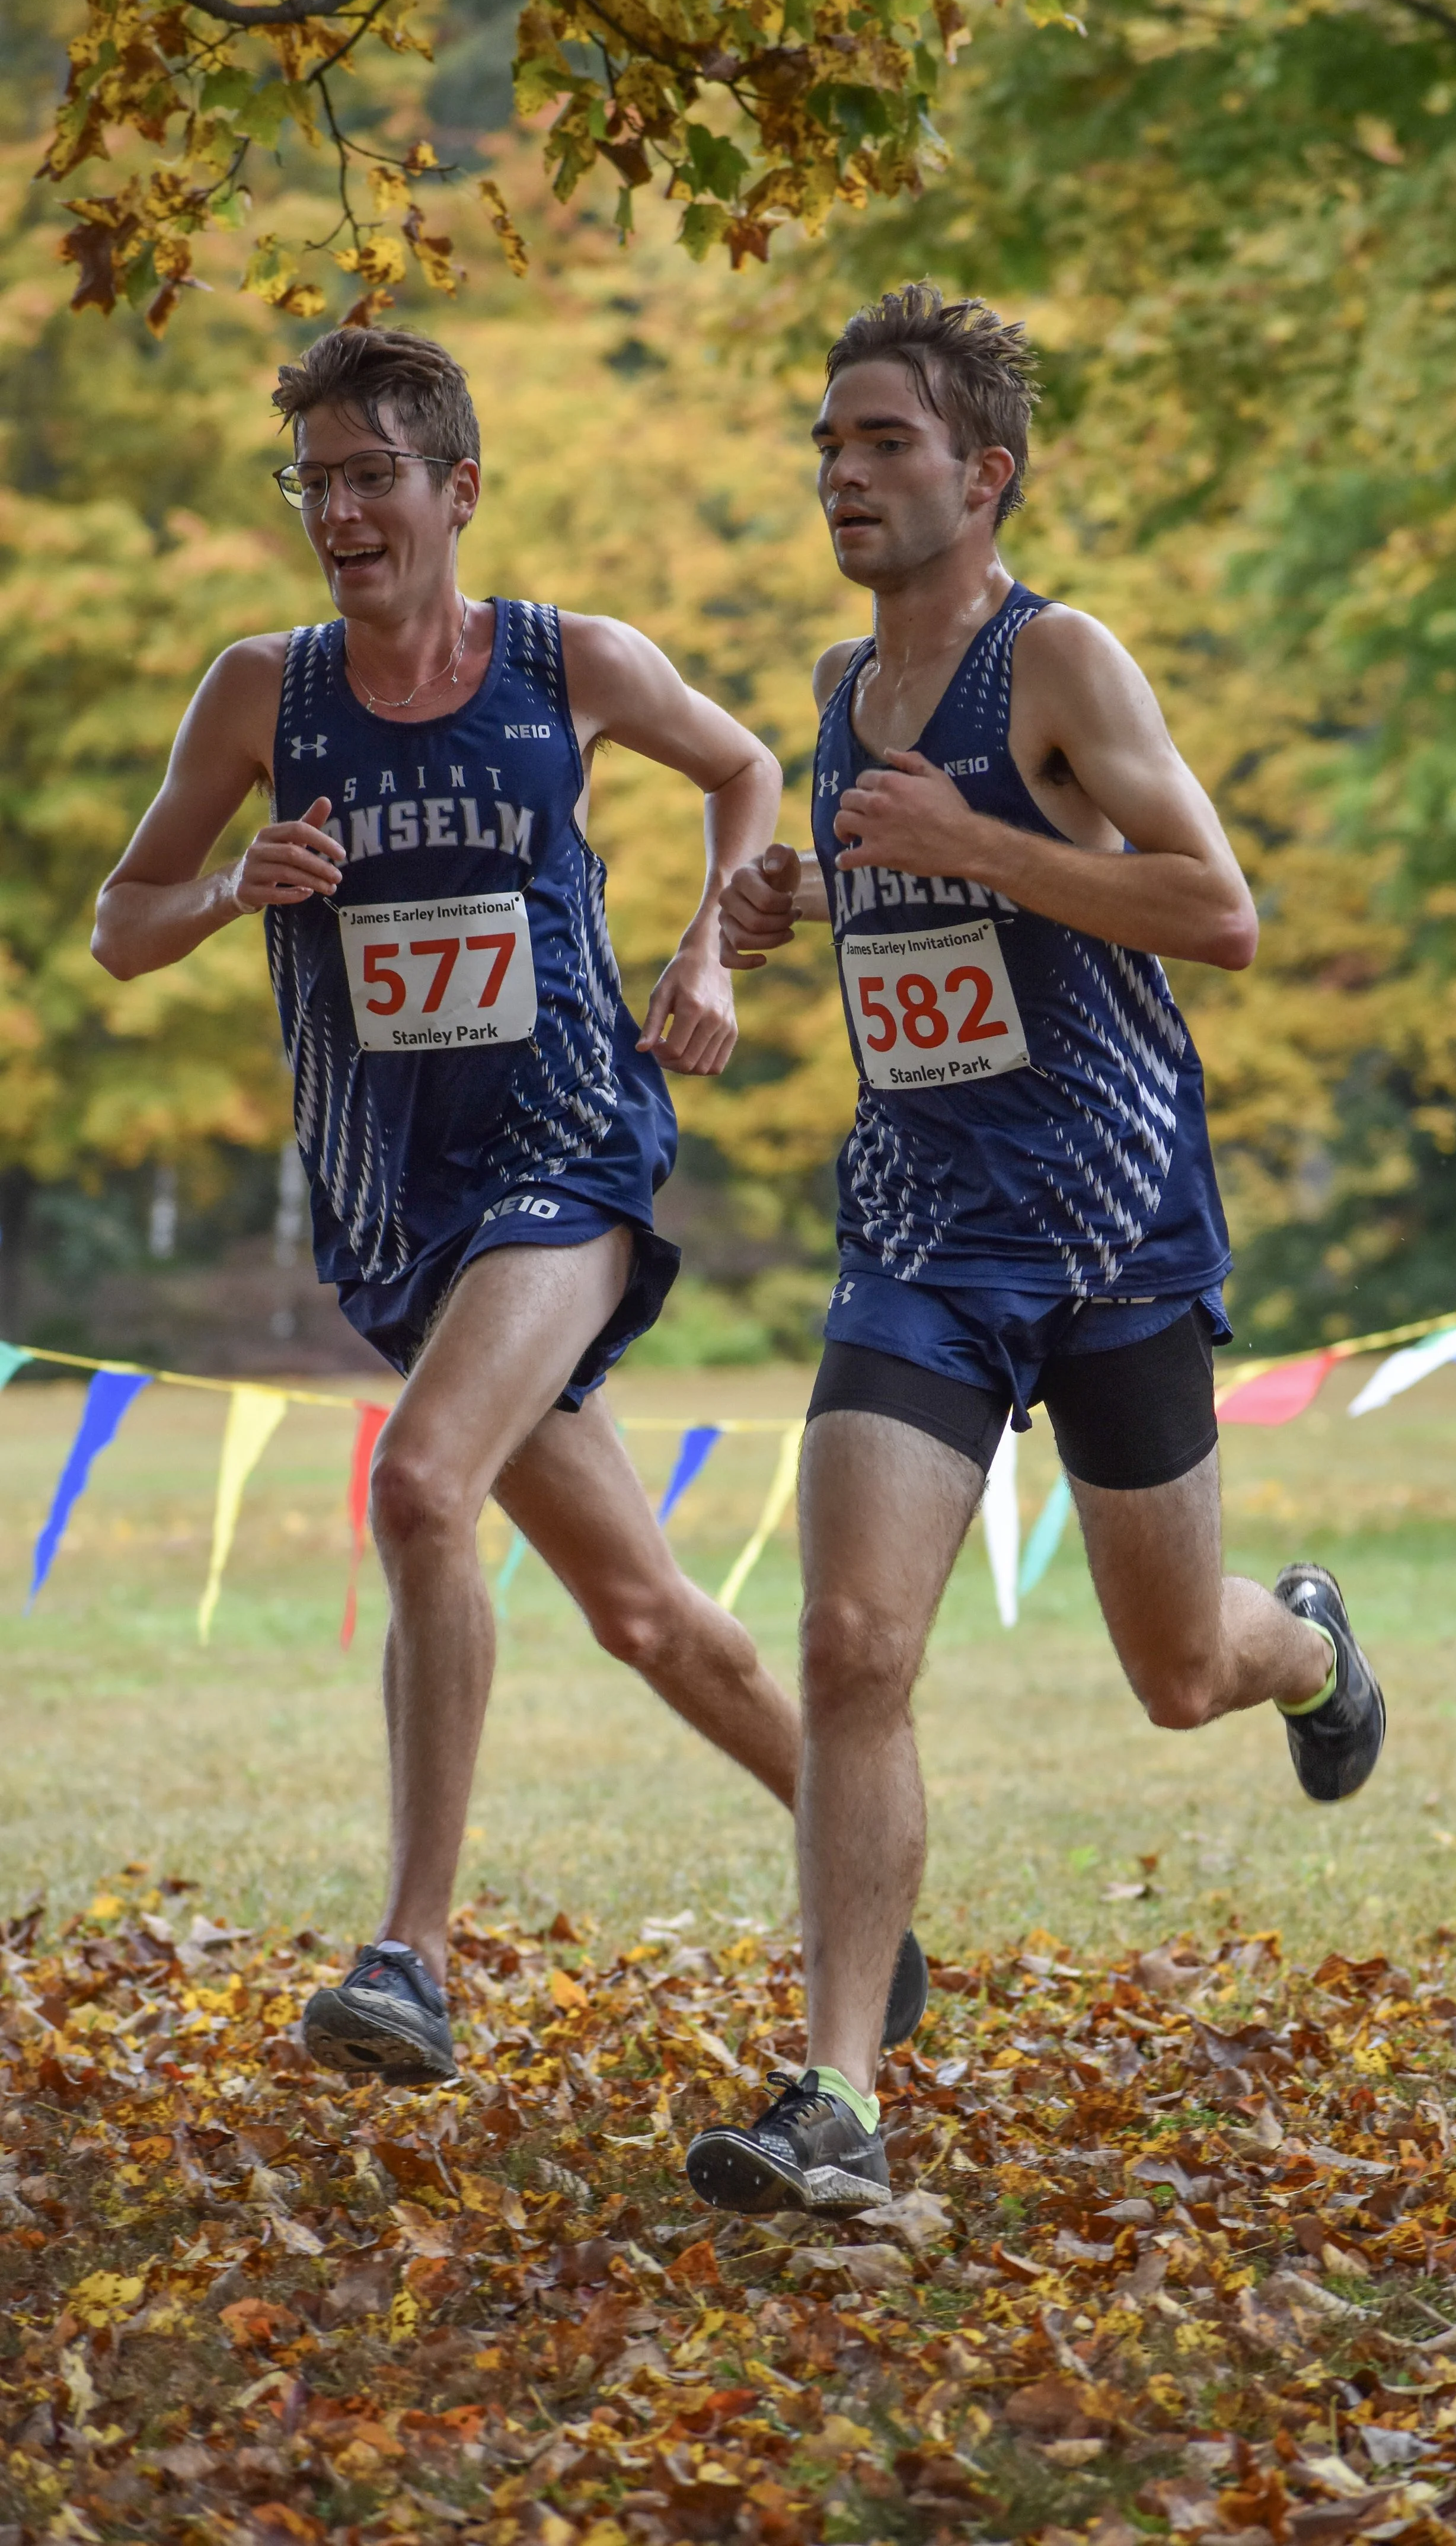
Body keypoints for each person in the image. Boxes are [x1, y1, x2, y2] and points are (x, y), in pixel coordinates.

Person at [91, 324, 928, 2085]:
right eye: (311, 481)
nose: (339, 512)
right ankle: (880, 1887)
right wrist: (240, 881)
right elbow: (121, 923)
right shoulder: (263, 692)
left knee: (414, 1482)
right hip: (395, 1199)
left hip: (566, 1151)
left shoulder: (571, 661)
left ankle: (410, 1955)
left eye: (370, 476)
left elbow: (744, 773)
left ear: (455, 489)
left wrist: (709, 943)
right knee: (640, 1613)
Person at [685, 283, 1385, 2215]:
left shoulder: (1060, 663)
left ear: (984, 474)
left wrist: (980, 845)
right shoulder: (836, 692)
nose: (842, 472)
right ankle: (836, 2094)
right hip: (916, 1233)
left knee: (1176, 1673)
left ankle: (1306, 1647)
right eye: (826, 442)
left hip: (1106, 1238)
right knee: (847, 1647)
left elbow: (1216, 913)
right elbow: (905, 901)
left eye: (883, 442)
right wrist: (791, 895)